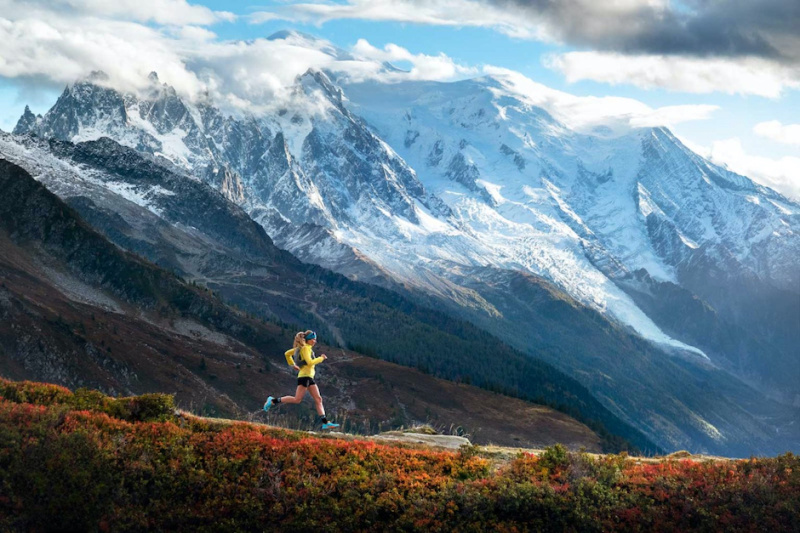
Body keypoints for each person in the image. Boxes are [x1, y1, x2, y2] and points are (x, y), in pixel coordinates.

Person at [263, 330, 340, 430]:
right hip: (305, 377)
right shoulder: (305, 349)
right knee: (297, 399)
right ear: (308, 340)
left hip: (309, 377)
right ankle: (272, 400)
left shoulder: (301, 348)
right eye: (313, 339)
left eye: (315, 339)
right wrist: (321, 358)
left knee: (318, 399)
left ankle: (325, 422)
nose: (315, 341)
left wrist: (292, 364)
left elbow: (287, 354)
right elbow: (310, 362)